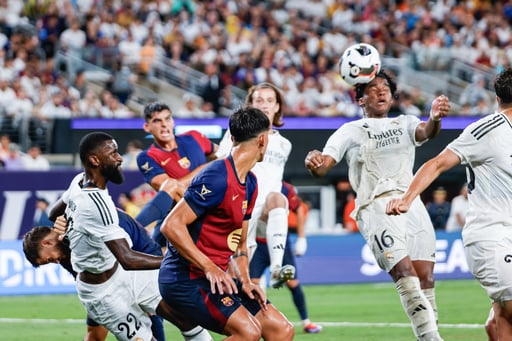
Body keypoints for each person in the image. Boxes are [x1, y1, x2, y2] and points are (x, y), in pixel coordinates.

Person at [305, 70, 450, 341]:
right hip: (377, 206)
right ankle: (432, 338)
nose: (381, 92)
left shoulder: (405, 122)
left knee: (426, 279)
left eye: (385, 88)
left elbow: (426, 131)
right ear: (360, 99)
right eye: (373, 89)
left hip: (410, 202)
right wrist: (314, 161)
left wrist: (434, 118)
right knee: (405, 273)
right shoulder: (351, 130)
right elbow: (324, 165)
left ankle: (428, 335)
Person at [386, 67, 512, 340]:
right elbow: (437, 163)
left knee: (500, 322)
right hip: (491, 236)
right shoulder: (486, 130)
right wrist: (407, 198)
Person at [46, 131, 210, 341]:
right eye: (113, 153)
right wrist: (174, 262)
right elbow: (128, 258)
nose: (120, 157)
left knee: (184, 317)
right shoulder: (98, 204)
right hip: (104, 293)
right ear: (95, 160)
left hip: (122, 272)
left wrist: (68, 220)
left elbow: (53, 213)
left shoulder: (79, 181)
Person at [158, 107, 295, 340]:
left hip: (219, 279)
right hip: (185, 279)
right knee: (248, 332)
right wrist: (209, 267)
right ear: (263, 140)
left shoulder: (250, 182)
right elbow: (171, 226)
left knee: (281, 330)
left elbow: (240, 245)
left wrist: (245, 280)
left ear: (232, 138)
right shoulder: (216, 176)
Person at [216, 82, 294, 289]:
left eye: (270, 101)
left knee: (279, 199)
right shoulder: (237, 134)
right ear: (250, 104)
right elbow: (221, 162)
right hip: (239, 208)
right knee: (234, 280)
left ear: (277, 106)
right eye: (259, 100)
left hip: (265, 210)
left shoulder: (284, 144)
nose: (265, 105)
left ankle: (277, 268)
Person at [137, 101, 218, 246]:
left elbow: (224, 156)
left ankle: (132, 228)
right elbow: (170, 189)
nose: (164, 124)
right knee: (151, 251)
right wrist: (208, 168)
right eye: (157, 120)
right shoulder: (147, 156)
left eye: (167, 118)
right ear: (147, 127)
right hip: (178, 211)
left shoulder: (194, 137)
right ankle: (132, 229)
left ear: (173, 121)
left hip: (211, 204)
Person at [250, 180, 322, 334]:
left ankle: (306, 322)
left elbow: (300, 209)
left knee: (293, 283)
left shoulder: (285, 188)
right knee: (252, 284)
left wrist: (302, 238)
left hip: (280, 243)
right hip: (258, 244)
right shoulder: (252, 182)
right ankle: (254, 323)